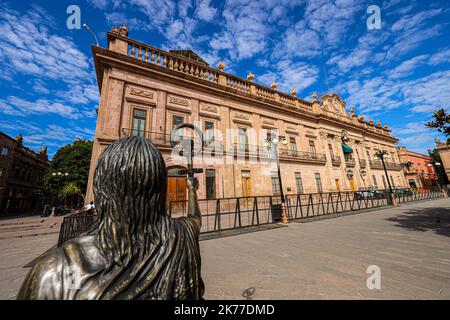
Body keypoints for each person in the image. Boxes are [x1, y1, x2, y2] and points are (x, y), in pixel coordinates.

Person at [17, 136, 204, 300]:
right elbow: (195, 219)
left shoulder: (55, 270)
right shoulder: (180, 235)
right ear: (160, 190)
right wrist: (192, 190)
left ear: (100, 187)